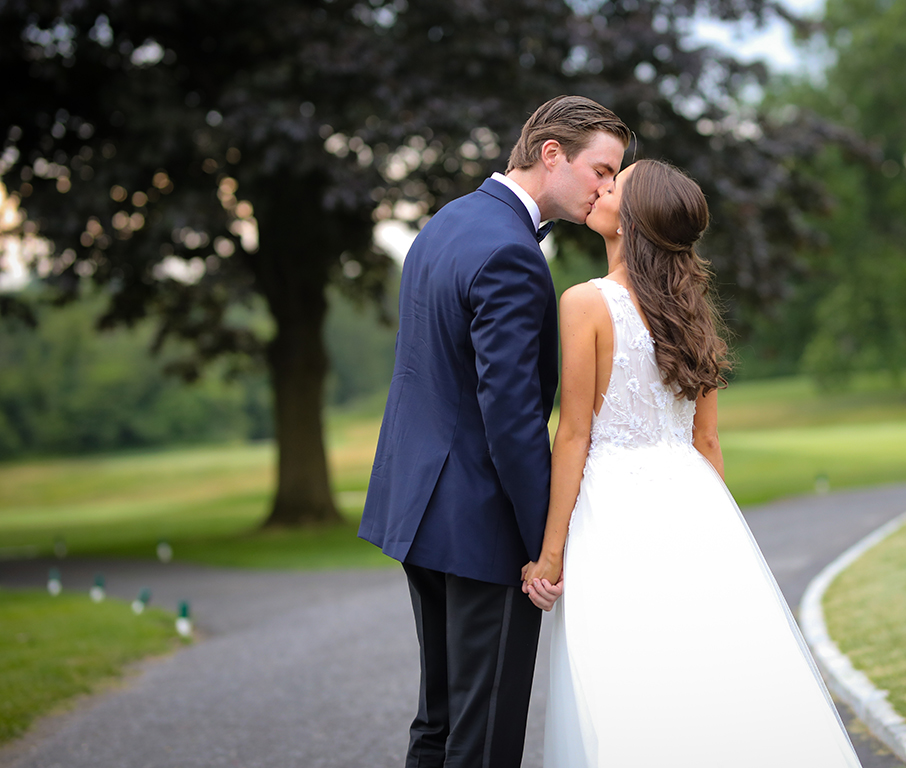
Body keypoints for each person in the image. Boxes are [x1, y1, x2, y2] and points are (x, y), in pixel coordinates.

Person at [522, 160, 864, 767]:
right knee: (714, 669)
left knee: (630, 679)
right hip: (695, 504)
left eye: (614, 186)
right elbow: (707, 442)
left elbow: (573, 435)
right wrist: (722, 535)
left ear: (633, 223)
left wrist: (550, 556)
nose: (600, 188)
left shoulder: (584, 303)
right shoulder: (693, 312)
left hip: (615, 516)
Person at [359, 96, 632, 768]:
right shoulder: (512, 254)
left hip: (418, 514)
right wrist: (548, 540)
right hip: (481, 527)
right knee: (481, 743)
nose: (607, 187)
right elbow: (510, 417)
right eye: (601, 169)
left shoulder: (447, 224)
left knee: (440, 722)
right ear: (551, 154)